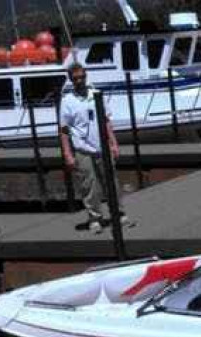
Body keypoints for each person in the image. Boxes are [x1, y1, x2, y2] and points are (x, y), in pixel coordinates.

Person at [60, 62, 130, 233]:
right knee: (89, 185)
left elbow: (106, 121)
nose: (79, 81)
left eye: (82, 77)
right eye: (75, 78)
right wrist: (67, 154)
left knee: (111, 181)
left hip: (102, 147)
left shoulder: (96, 95)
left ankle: (118, 213)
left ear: (86, 76)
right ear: (71, 79)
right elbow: (64, 129)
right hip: (82, 149)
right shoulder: (67, 101)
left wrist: (113, 143)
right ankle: (95, 218)